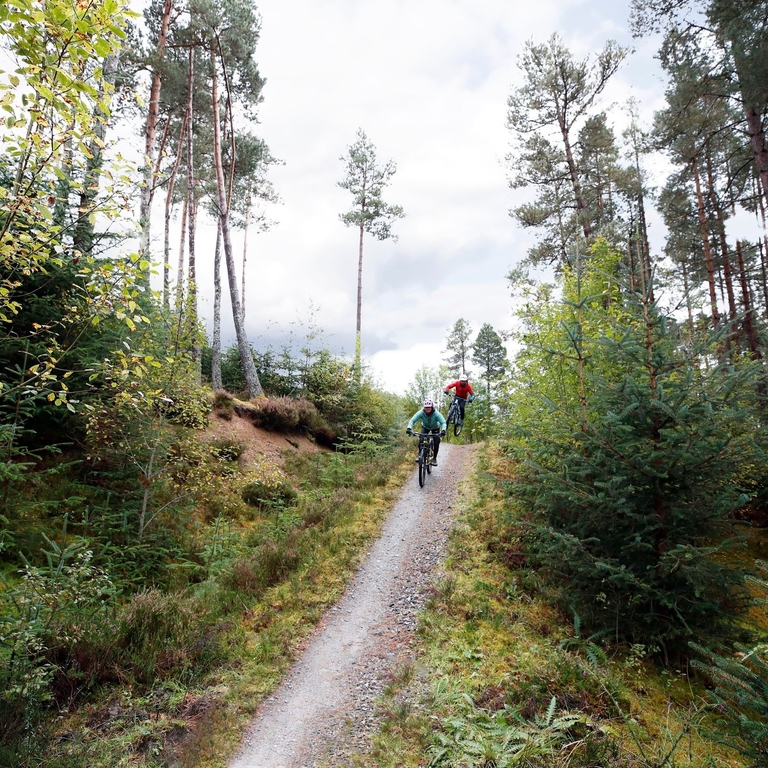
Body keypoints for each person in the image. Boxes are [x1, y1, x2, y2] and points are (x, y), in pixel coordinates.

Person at [406, 398, 446, 466]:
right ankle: (420, 455)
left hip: (435, 428)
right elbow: (412, 420)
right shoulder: (421, 412)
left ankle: (434, 458)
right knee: (421, 439)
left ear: (432, 407)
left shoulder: (436, 413)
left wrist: (443, 430)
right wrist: (409, 428)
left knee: (436, 442)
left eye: (429, 407)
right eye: (426, 407)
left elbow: (443, 422)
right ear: (424, 407)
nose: (427, 409)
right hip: (425, 427)